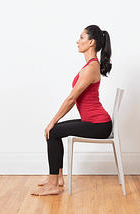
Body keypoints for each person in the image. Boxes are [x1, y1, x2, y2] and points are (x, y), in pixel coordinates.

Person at [31, 25, 113, 196]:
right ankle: (57, 178)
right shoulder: (90, 65)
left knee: (52, 131)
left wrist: (52, 120)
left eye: (81, 38)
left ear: (91, 42)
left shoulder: (91, 67)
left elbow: (71, 99)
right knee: (54, 131)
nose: (77, 41)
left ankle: (53, 184)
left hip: (99, 124)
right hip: (94, 122)